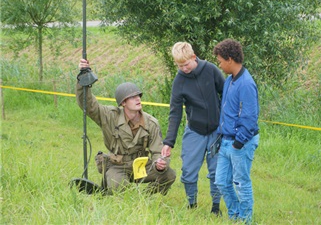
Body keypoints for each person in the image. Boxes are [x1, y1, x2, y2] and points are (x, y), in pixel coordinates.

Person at [76, 59, 176, 195]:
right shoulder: (110, 116)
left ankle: (145, 201)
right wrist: (83, 78)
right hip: (117, 166)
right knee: (118, 186)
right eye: (133, 97)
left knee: (169, 175)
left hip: (141, 165)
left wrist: (160, 164)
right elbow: (88, 104)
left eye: (138, 96)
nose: (138, 99)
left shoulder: (151, 123)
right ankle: (116, 193)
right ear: (123, 102)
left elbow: (158, 150)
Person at [161, 42, 225, 215]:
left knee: (216, 172)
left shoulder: (211, 70)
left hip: (216, 131)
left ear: (193, 57)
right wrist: (169, 142)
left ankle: (215, 207)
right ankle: (191, 205)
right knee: (188, 171)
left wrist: (226, 122)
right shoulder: (179, 81)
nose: (184, 69)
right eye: (180, 66)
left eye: (186, 64)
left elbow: (225, 93)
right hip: (194, 131)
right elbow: (175, 114)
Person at [213, 39, 260, 224]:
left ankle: (245, 221)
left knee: (241, 183)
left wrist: (238, 142)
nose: (219, 64)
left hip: (241, 143)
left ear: (230, 59)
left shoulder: (246, 84)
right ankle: (235, 216)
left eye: (220, 60)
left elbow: (250, 116)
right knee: (222, 182)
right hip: (226, 140)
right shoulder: (229, 81)